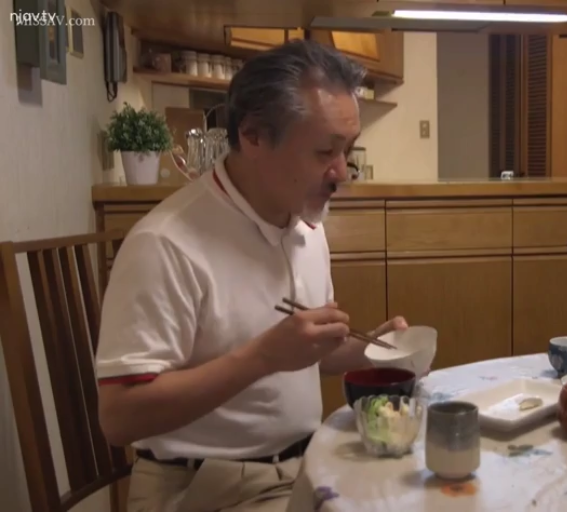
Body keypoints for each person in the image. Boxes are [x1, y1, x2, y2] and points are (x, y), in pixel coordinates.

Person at [94, 40, 407, 512]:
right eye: (325, 151)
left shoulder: (305, 225)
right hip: (203, 490)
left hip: (303, 467)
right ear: (254, 136)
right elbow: (119, 418)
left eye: (347, 150)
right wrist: (262, 356)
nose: (342, 172)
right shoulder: (165, 243)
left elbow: (305, 353)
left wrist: (372, 349)